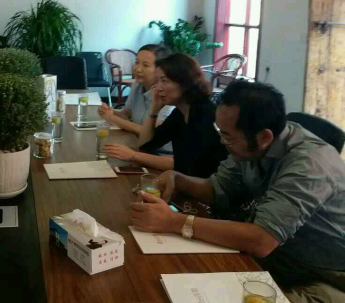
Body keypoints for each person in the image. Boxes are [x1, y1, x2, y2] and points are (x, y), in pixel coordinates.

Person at [130, 81, 345, 303]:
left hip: (323, 276)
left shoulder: (311, 163)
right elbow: (217, 189)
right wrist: (177, 179)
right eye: (220, 132)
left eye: (228, 136)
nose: (222, 142)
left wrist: (175, 222)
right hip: (276, 258)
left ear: (264, 138)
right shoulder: (251, 142)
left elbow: (261, 240)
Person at [104, 53, 227, 177]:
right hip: (190, 179)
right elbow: (146, 145)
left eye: (164, 81)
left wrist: (133, 155)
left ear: (184, 82)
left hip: (209, 184)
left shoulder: (204, 113)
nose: (157, 88)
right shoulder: (180, 113)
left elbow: (182, 163)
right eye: (157, 81)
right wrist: (153, 111)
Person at [98, 44, 172, 134]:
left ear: (160, 70)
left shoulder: (166, 96)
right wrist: (109, 111)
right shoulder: (137, 85)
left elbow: (149, 132)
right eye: (137, 62)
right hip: (134, 138)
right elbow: (127, 114)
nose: (138, 69)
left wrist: (111, 117)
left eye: (145, 65)